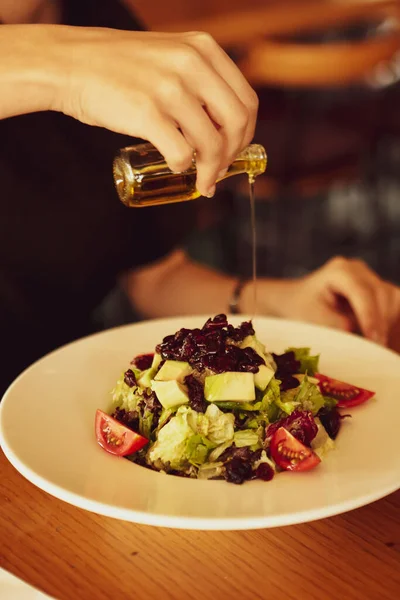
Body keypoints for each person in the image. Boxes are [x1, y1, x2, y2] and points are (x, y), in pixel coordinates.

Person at [0, 0, 399, 397]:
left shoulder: (100, 19)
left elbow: (156, 277)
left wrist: (282, 303)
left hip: (55, 399)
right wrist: (65, 67)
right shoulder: (93, 52)